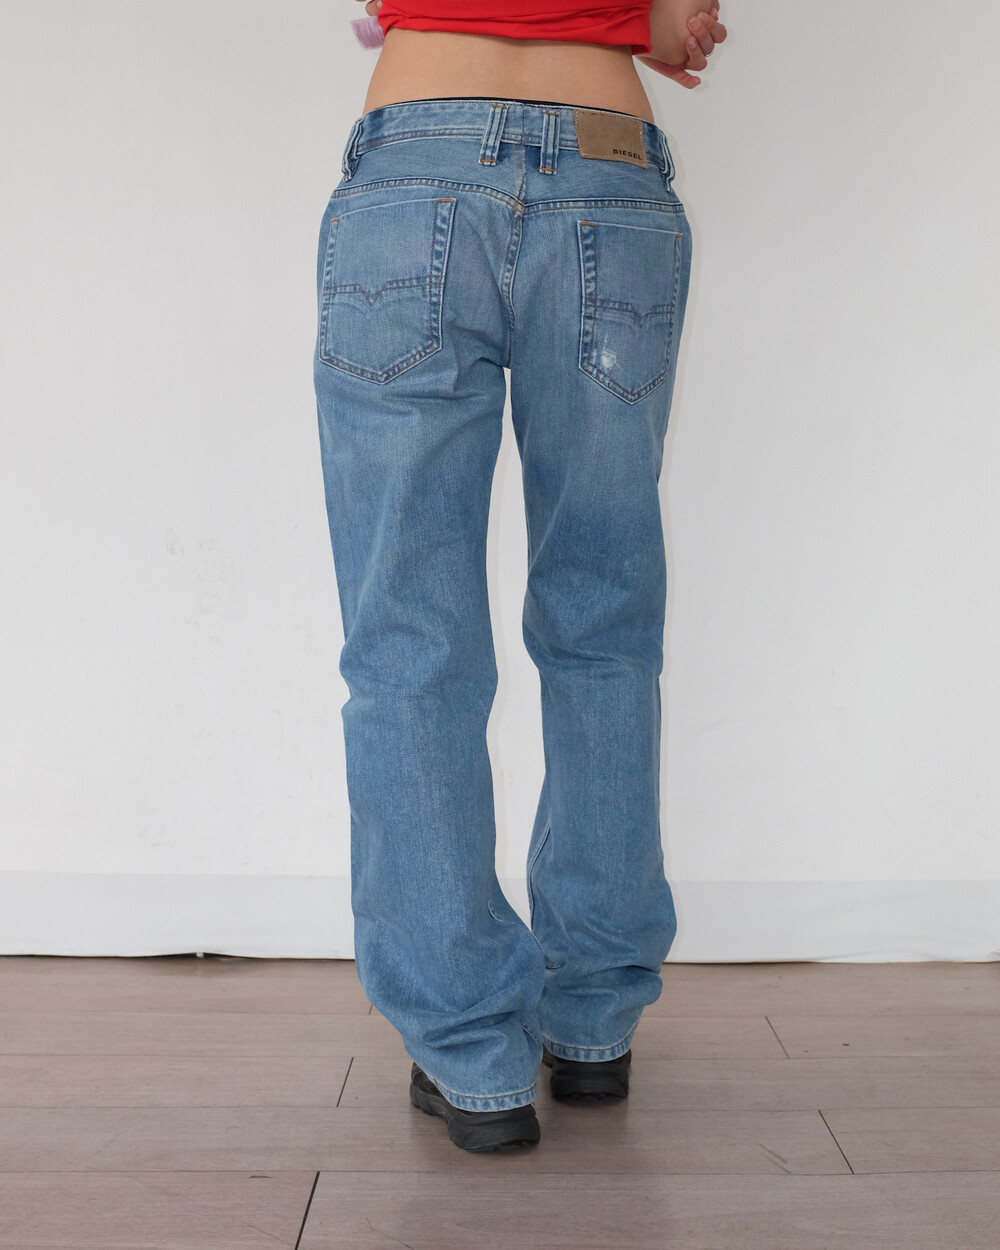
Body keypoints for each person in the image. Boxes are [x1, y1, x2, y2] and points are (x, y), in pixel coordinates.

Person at [312, 0, 727, 1153]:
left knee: (409, 639)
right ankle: (592, 1019)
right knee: (603, 623)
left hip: (415, 173)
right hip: (606, 172)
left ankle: (469, 1052)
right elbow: (676, 20)